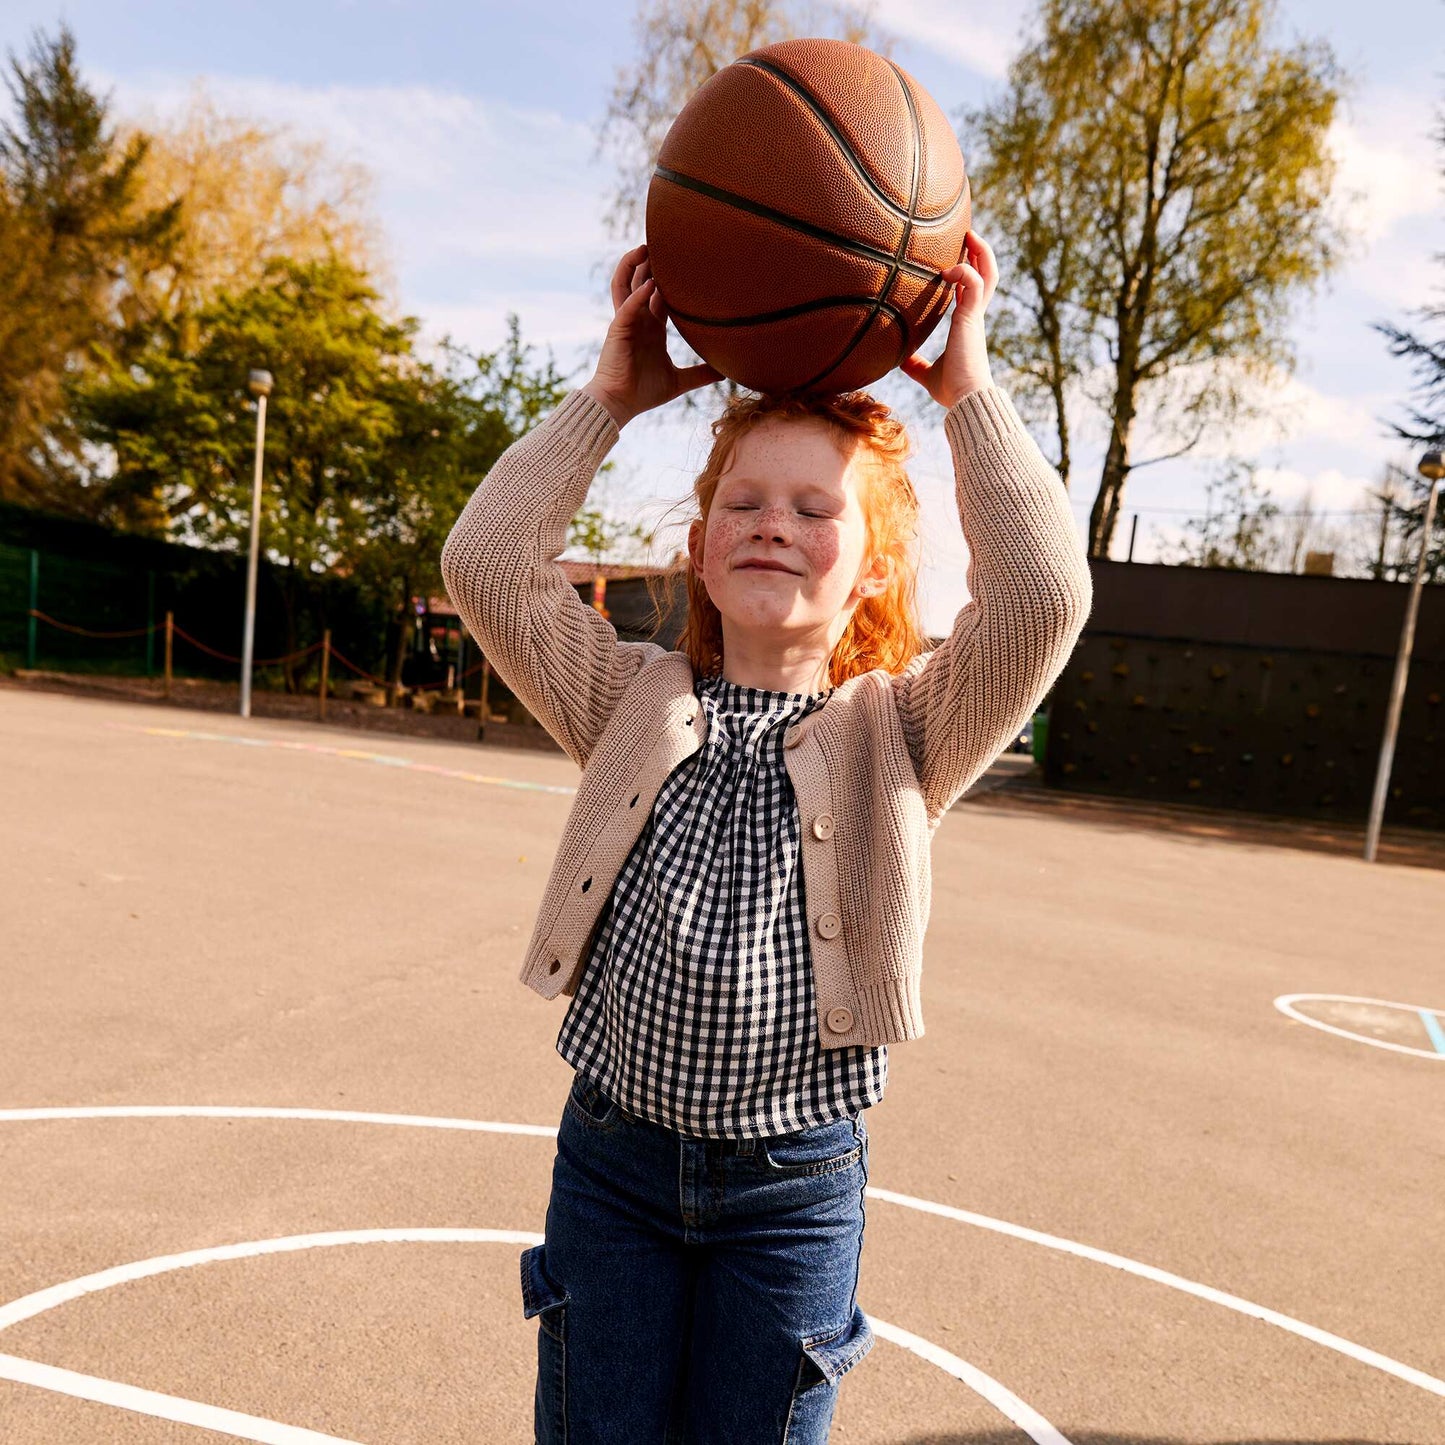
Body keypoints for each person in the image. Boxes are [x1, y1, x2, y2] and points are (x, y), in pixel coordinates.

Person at [440, 231, 1092, 1444]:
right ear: (697, 544)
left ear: (872, 568)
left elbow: (1046, 597)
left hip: (792, 1191)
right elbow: (484, 561)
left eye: (811, 506)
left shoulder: (903, 730)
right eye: (740, 500)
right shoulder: (625, 697)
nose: (771, 523)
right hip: (613, 1167)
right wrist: (606, 401)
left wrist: (966, 389)